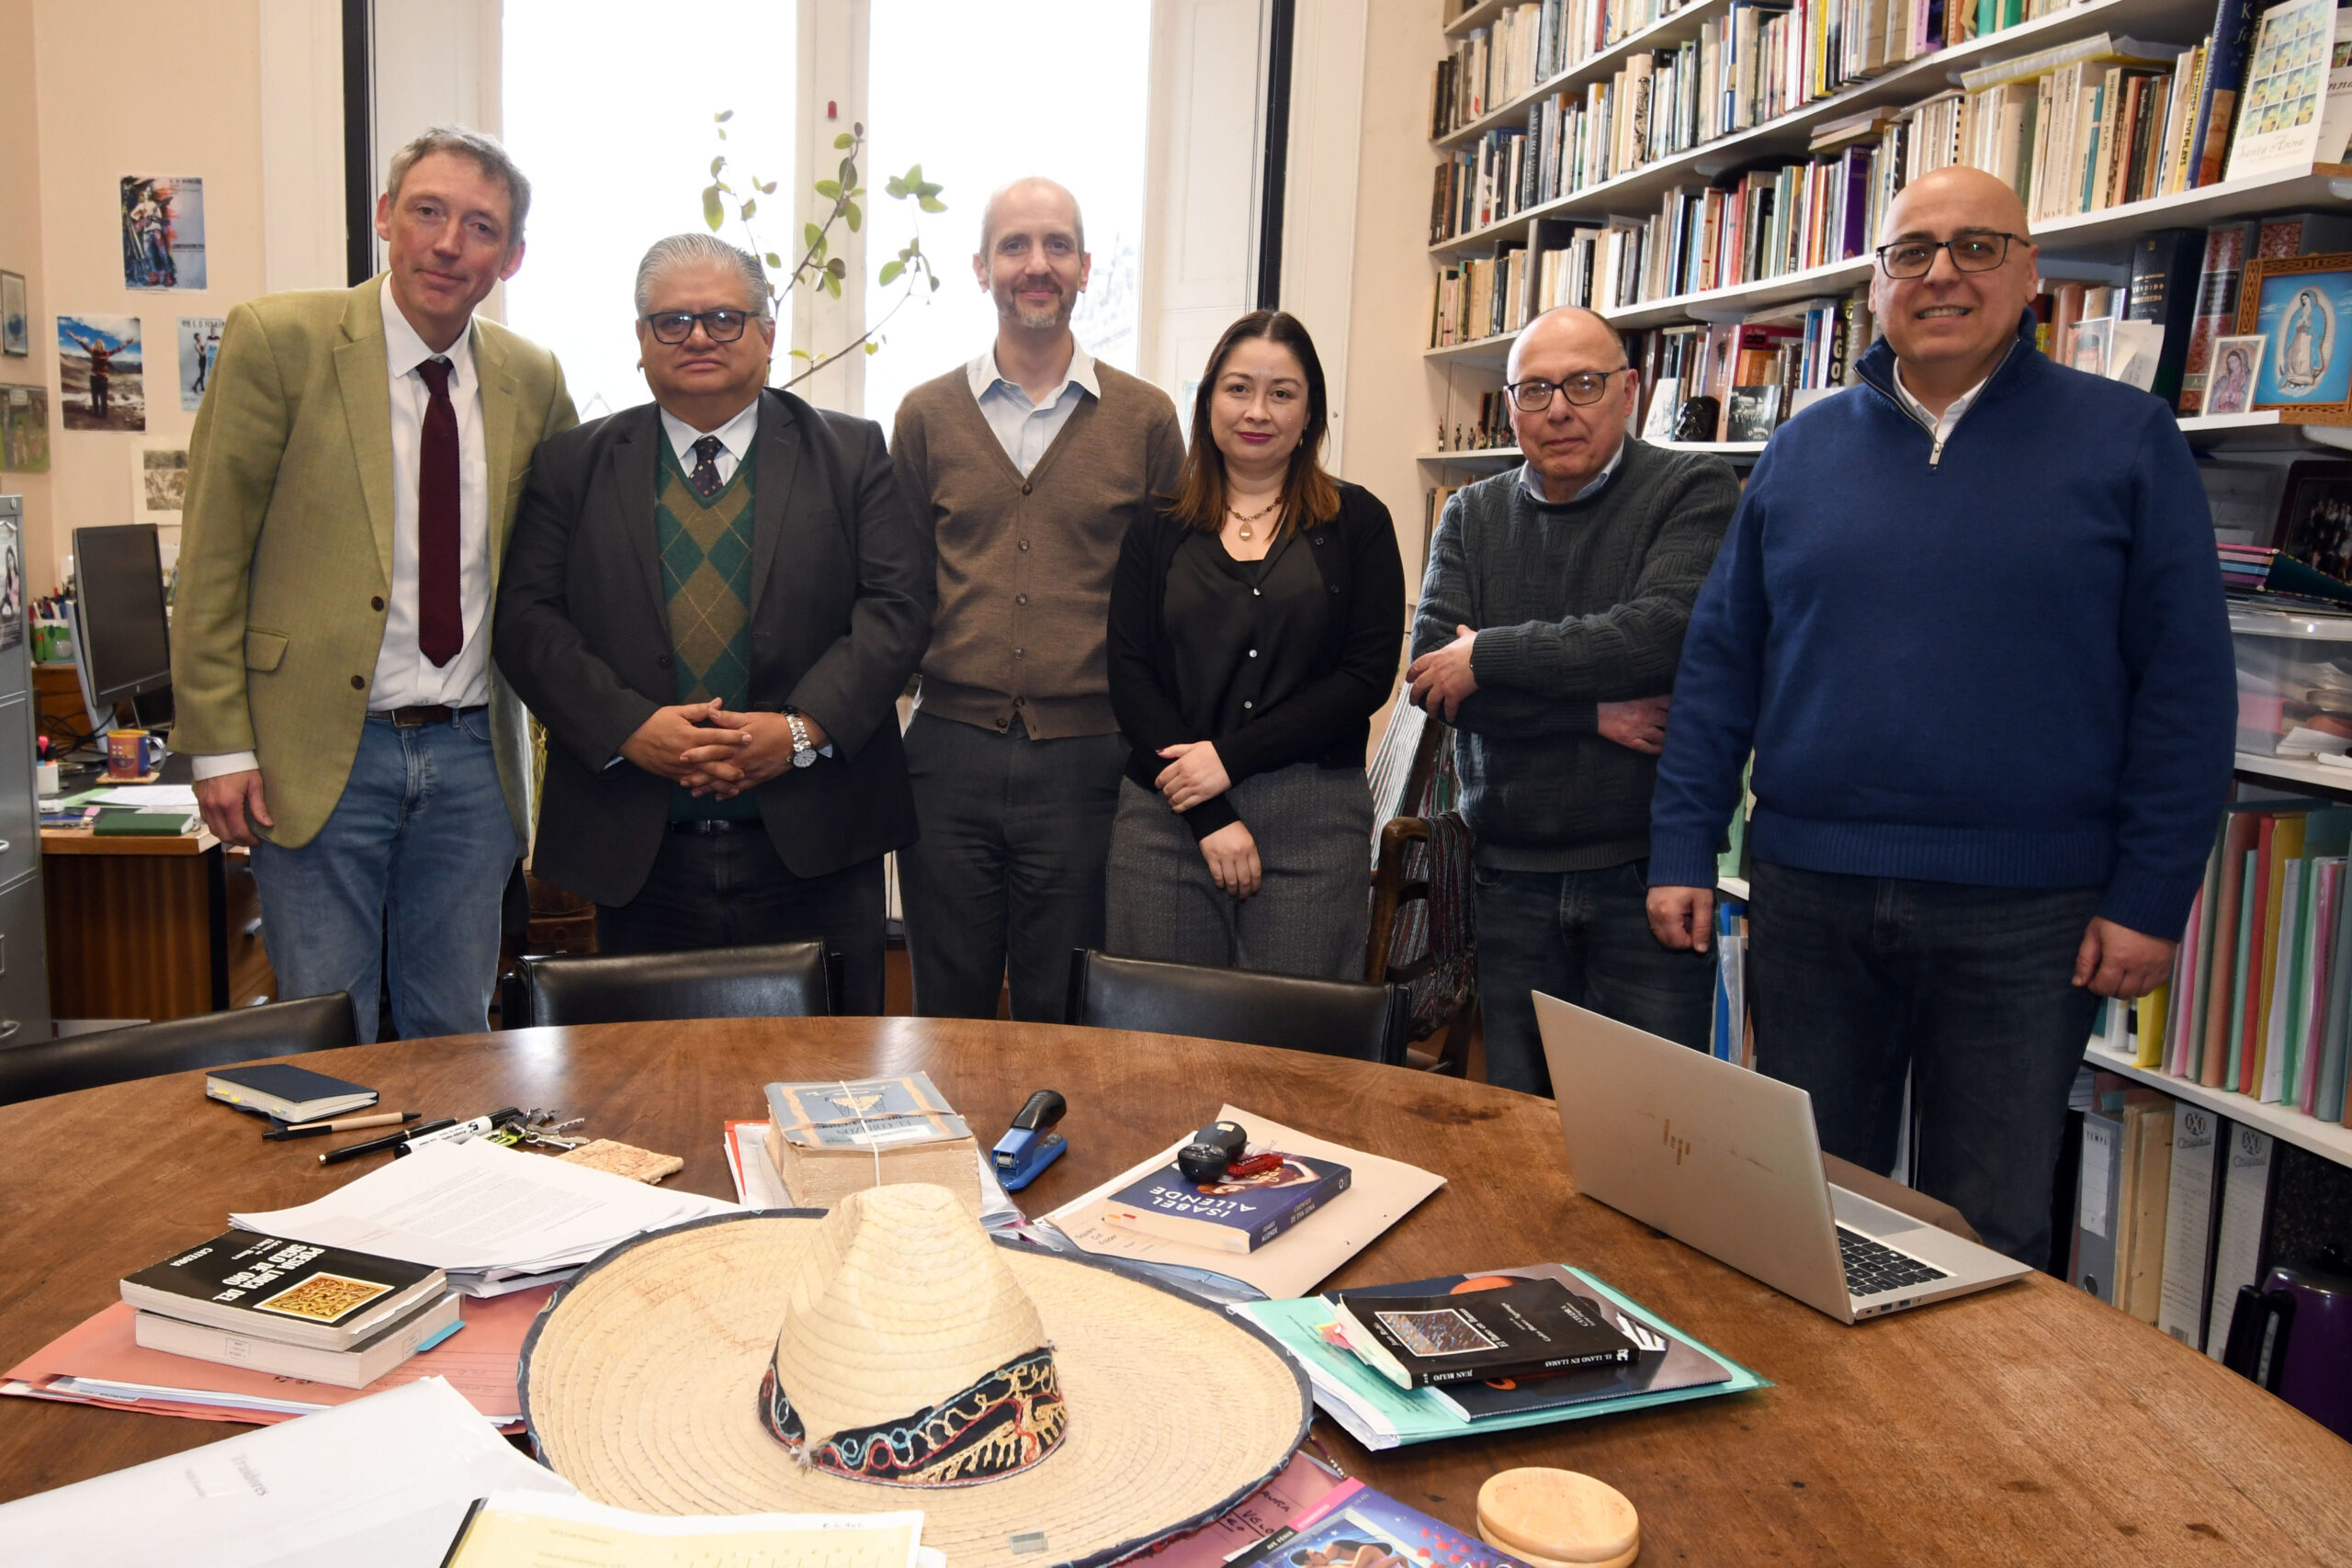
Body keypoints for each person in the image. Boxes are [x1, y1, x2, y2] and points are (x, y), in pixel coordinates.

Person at [1645, 166, 2236, 1266]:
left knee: (1993, 1225)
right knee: (1807, 1207)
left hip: (2028, 915)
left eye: (1976, 247)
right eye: (1910, 252)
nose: (1941, 276)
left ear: (2030, 274)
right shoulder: (1800, 450)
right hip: (1808, 894)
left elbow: (2187, 691)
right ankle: (1828, 1435)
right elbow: (1722, 665)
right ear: (1875, 286)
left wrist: (2151, 895)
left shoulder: (2126, 440)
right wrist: (1683, 842)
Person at [173, 126, 574, 1042]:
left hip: (475, 756)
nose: (447, 244)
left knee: (454, 1025)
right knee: (327, 1025)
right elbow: (213, 557)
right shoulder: (280, 340)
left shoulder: (533, 379)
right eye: (428, 212)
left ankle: (452, 1187)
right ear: (387, 218)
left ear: (509, 256)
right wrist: (218, 745)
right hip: (316, 753)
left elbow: (558, 562)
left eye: (480, 227)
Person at [496, 234, 928, 1013]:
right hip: (640, 850)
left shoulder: (851, 452)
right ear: (640, 342)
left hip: (818, 843)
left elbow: (897, 611)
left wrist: (797, 732)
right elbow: (528, 623)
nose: (698, 336)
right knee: (653, 1090)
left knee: (829, 1086)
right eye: (672, 321)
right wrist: (631, 729)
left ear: (765, 333)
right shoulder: (572, 465)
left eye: (725, 318)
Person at [1405, 306, 1738, 1095]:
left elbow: (1656, 634)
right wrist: (1590, 713)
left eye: (1583, 385)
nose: (1559, 408)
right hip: (1507, 878)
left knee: (1656, 1138)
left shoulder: (1692, 488)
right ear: (1512, 405)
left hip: (1646, 879)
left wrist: (1487, 653)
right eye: (1534, 390)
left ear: (1629, 390)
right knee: (1524, 1132)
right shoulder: (1471, 513)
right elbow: (1428, 676)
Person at [891, 176, 1184, 1021]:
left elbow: (1172, 601)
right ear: (981, 268)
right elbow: (902, 590)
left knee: (1070, 1007)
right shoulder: (924, 417)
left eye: (1057, 245)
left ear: (1086, 268)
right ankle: (951, 1159)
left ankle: (1052, 1157)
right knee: (948, 1006)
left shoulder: (1144, 420)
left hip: (1090, 760)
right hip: (947, 757)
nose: (1036, 264)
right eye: (1015, 246)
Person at [1104, 311, 1402, 979]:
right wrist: (1206, 804)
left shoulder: (1360, 524)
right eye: (1238, 388)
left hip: (1314, 820)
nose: (1257, 411)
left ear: (1310, 411)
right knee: (1159, 1048)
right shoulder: (1156, 527)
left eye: (1282, 392)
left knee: (1293, 1054)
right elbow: (1130, 677)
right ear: (1208, 399)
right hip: (1167, 814)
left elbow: (1365, 677)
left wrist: (1228, 759)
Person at [62, 327, 118, 421]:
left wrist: (72, 335)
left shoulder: (93, 352)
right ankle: (103, 415)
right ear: (103, 346)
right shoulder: (107, 353)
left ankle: (96, 413)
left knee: (95, 396)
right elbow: (118, 349)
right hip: (104, 379)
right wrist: (127, 343)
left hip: (94, 378)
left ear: (95, 345)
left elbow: (82, 344)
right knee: (103, 397)